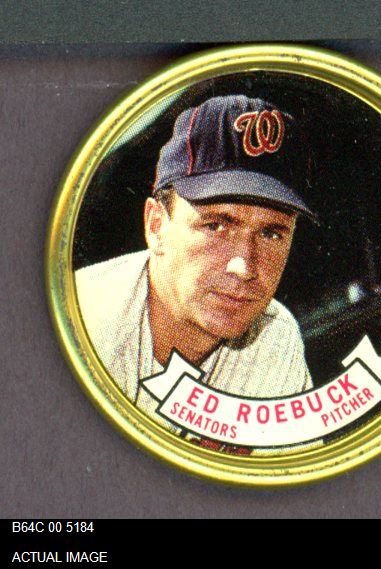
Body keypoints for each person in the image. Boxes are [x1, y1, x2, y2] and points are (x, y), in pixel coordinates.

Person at [76, 94, 316, 420]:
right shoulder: (82, 326)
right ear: (156, 225)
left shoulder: (274, 339)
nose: (243, 266)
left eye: (271, 234)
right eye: (215, 225)